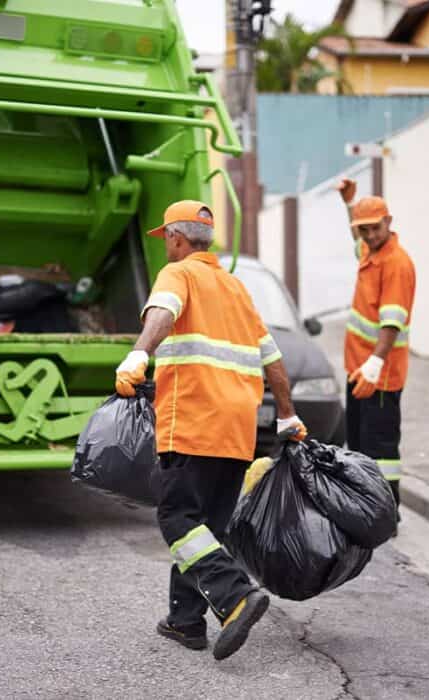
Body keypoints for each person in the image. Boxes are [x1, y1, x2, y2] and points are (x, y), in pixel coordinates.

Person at [115, 200, 307, 660]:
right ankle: (185, 622)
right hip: (237, 431)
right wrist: (286, 415)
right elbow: (273, 361)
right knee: (205, 529)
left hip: (193, 421)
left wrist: (139, 354)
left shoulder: (178, 274)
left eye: (167, 240)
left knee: (177, 518)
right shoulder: (237, 289)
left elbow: (161, 313)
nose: (166, 247)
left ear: (178, 240)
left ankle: (235, 594)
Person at [336, 179, 416, 525]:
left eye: (373, 228)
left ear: (389, 223)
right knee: (359, 444)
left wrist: (375, 363)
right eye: (363, 230)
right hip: (359, 369)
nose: (367, 235)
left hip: (379, 375)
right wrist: (349, 202)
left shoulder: (396, 264)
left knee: (381, 449)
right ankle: (365, 506)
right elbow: (357, 239)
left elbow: (392, 322)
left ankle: (387, 514)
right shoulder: (371, 251)